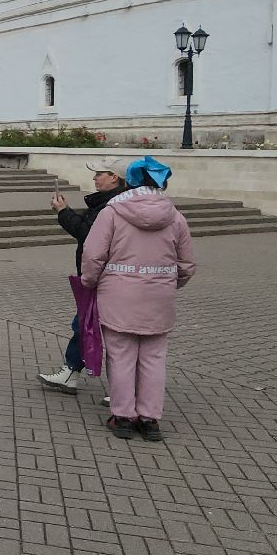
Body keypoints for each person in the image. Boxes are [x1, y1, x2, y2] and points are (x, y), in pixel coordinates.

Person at [79, 156, 195, 442]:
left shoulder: (112, 212)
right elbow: (187, 264)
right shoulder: (175, 216)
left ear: (129, 180)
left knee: (120, 355)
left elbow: (93, 255)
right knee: (155, 358)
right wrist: (168, 284)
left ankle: (123, 417)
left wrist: (89, 282)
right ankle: (150, 418)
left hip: (118, 295)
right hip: (159, 298)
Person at [40, 159, 130, 394]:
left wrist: (63, 213)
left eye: (100, 174)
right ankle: (71, 371)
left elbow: (90, 238)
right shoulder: (106, 203)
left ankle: (122, 390)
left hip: (107, 277)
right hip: (101, 275)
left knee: (104, 329)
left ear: (114, 177)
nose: (95, 178)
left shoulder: (112, 206)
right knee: (84, 323)